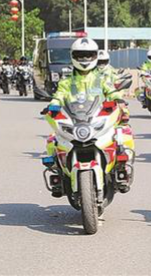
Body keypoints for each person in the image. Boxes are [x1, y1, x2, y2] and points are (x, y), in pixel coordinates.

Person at [43, 38, 134, 196]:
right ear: (73, 56)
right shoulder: (67, 81)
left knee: (123, 134)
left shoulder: (102, 78)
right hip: (75, 119)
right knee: (53, 139)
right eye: (80, 55)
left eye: (88, 55)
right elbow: (59, 96)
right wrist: (53, 105)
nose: (84, 59)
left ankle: (122, 169)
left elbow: (112, 92)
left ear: (95, 56)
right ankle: (57, 171)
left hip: (97, 117)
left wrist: (118, 99)